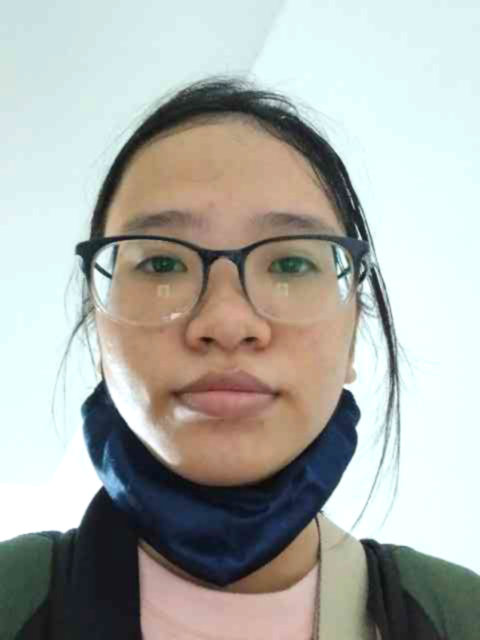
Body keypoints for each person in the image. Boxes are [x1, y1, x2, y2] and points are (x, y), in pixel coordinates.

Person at [1, 77, 479, 640]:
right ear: (96, 331)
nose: (226, 323)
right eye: (160, 264)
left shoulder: (459, 616)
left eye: (291, 264)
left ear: (354, 334)